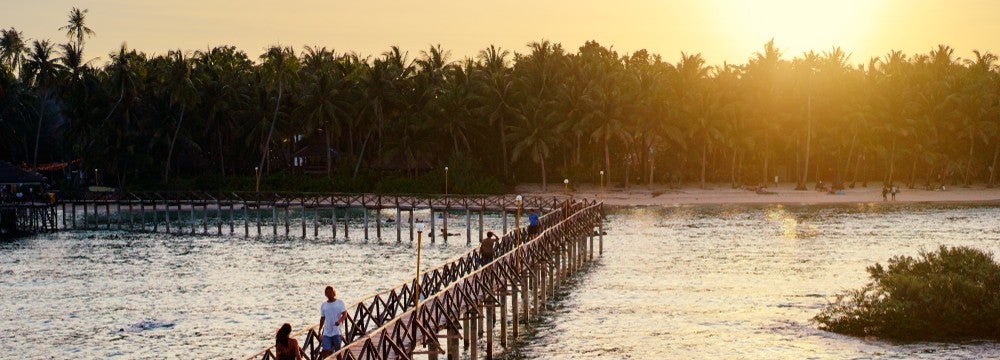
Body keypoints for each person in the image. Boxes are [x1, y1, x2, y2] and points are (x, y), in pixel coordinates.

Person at [319, 286, 348, 359]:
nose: (328, 294)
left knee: (338, 352)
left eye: (330, 292)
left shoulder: (339, 302)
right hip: (326, 332)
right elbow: (322, 318)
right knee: (325, 350)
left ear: (333, 292)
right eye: (327, 292)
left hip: (337, 331)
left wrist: (339, 321)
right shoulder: (324, 305)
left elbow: (345, 314)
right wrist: (319, 330)